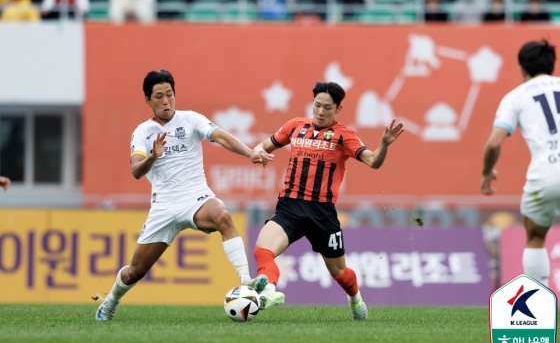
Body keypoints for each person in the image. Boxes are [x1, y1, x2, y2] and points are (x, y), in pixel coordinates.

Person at [95, 70, 273, 321]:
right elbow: (136, 170)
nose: (166, 101)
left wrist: (249, 153)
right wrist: (153, 156)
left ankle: (246, 279)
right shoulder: (142, 132)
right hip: (164, 207)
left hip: (196, 198)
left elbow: (220, 136)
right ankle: (111, 301)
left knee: (222, 215)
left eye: (170, 94)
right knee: (134, 272)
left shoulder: (191, 120)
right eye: (159, 96)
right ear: (148, 100)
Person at [252, 81, 404, 320]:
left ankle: (355, 300)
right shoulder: (295, 126)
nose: (321, 112)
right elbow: (264, 145)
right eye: (317, 105)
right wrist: (258, 151)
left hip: (322, 213)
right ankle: (269, 289)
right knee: (263, 249)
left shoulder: (344, 135)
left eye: (327, 108)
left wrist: (384, 144)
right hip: (290, 206)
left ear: (338, 109)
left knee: (339, 272)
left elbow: (373, 161)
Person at [481, 40, 560, 287]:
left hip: (545, 175)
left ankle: (540, 307)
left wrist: (486, 173)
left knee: (536, 236)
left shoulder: (516, 97)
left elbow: (494, 143)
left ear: (522, 69)